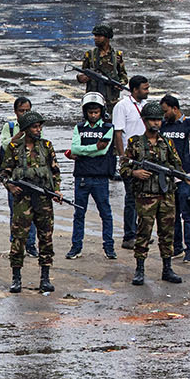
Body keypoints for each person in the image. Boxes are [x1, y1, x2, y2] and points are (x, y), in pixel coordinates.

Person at [124, 101, 184, 286]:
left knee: (167, 234)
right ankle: (140, 269)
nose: (156, 123)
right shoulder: (135, 143)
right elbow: (124, 168)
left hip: (166, 196)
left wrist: (169, 171)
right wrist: (135, 173)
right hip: (146, 197)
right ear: (144, 121)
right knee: (143, 234)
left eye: (158, 120)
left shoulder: (166, 143)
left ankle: (167, 268)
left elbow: (177, 166)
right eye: (152, 120)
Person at [0, 110, 58, 295]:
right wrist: (10, 187)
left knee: (46, 238)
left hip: (43, 199)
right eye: (34, 126)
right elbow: (3, 173)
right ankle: (16, 278)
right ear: (26, 129)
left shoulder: (47, 146)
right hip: (23, 199)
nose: (38, 129)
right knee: (19, 239)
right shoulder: (14, 147)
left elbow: (55, 171)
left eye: (40, 126)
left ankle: (45, 278)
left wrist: (56, 191)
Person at [62, 92, 116, 261]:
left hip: (100, 177)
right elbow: (75, 148)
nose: (93, 115)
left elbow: (104, 149)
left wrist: (83, 151)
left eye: (96, 112)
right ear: (85, 112)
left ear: (102, 112)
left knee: (105, 213)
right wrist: (93, 149)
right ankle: (76, 247)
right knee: (79, 213)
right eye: (90, 112)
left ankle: (109, 247)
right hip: (82, 177)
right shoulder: (79, 127)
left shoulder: (108, 128)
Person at [160, 95, 190, 263]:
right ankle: (176, 247)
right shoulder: (163, 127)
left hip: (186, 178)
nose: (163, 116)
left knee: (187, 215)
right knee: (173, 215)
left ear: (175, 109)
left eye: (166, 111)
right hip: (168, 179)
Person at [111, 74, 151, 248]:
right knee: (131, 198)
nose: (147, 91)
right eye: (145, 88)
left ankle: (141, 233)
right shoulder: (122, 106)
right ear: (134, 90)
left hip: (146, 157)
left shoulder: (145, 106)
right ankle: (129, 236)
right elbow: (118, 133)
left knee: (145, 198)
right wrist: (123, 157)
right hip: (131, 157)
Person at [0, 97, 38, 259]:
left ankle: (31, 244)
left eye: (27, 111)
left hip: (31, 175)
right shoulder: (10, 127)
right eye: (21, 111)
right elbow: (5, 144)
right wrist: (20, 134)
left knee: (33, 212)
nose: (24, 114)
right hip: (14, 176)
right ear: (15, 112)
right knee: (15, 212)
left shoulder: (36, 126)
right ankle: (15, 242)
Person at [77, 22, 127, 107]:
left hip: (111, 100)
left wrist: (120, 84)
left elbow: (123, 75)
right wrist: (81, 78)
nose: (96, 38)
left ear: (107, 37)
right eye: (95, 36)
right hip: (94, 100)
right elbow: (83, 73)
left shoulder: (116, 55)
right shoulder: (90, 55)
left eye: (99, 36)